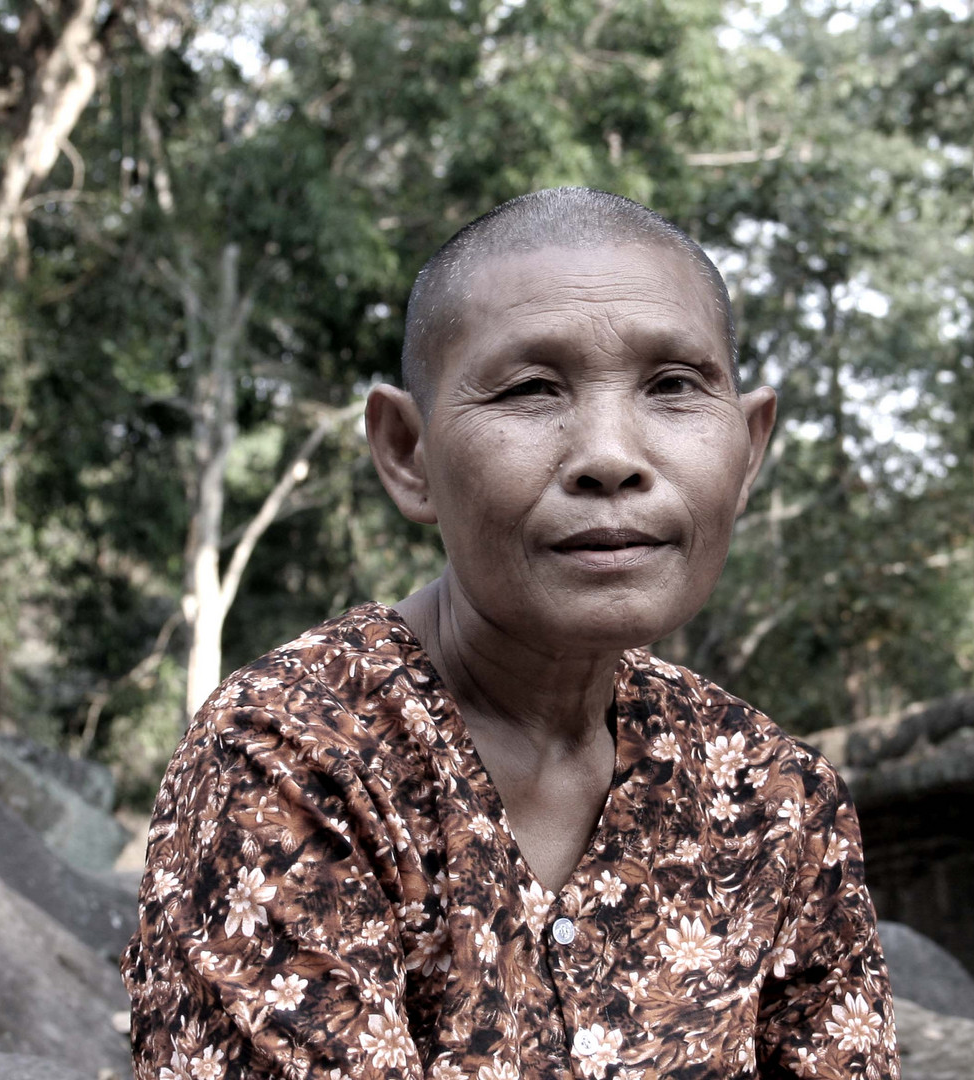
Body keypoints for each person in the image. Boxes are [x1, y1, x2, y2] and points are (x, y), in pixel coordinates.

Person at [122, 188, 898, 1080]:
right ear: (408, 454)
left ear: (749, 447)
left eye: (674, 387)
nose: (611, 457)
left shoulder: (773, 799)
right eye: (532, 389)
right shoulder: (294, 760)